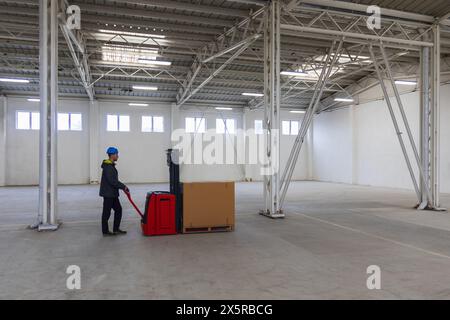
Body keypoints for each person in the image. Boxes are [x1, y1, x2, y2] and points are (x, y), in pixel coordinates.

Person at [99, 147, 129, 236]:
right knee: (106, 212)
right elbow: (113, 181)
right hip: (108, 194)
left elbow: (113, 181)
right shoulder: (108, 167)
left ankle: (116, 229)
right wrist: (124, 187)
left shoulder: (110, 165)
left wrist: (122, 187)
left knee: (118, 210)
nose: (118, 156)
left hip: (112, 193)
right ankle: (105, 231)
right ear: (112, 155)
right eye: (117, 154)